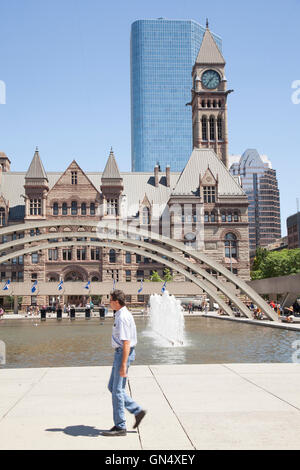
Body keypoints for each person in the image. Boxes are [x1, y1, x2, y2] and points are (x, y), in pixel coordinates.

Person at [102, 289, 146, 437]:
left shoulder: (122, 317)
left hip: (123, 354)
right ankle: (137, 411)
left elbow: (126, 342)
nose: (109, 303)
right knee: (112, 387)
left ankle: (120, 426)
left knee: (117, 391)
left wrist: (123, 364)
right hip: (121, 354)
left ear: (116, 301)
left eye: (110, 300)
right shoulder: (121, 314)